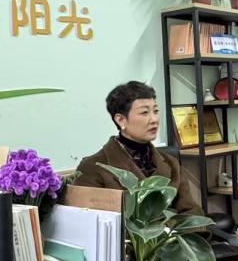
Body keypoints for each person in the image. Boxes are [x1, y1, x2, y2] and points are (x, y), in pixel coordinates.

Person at [75, 81, 202, 214]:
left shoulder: (171, 162)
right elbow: (89, 220)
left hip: (173, 228)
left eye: (156, 111)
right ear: (121, 120)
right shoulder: (93, 167)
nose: (154, 119)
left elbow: (191, 212)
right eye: (144, 112)